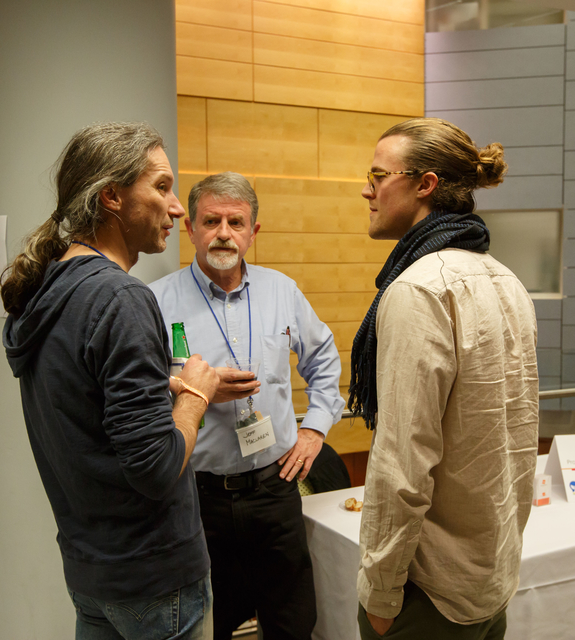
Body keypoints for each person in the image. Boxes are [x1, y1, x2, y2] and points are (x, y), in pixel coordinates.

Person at [1, 122, 220, 640]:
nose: (178, 208)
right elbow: (156, 468)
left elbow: (85, 409)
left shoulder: (47, 290)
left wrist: (152, 390)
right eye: (162, 187)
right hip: (154, 578)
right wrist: (193, 396)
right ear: (112, 197)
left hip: (91, 571)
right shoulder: (120, 298)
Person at [350, 118, 539, 640]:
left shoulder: (419, 290)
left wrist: (382, 593)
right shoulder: (507, 281)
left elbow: (402, 461)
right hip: (487, 578)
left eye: (378, 174)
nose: (367, 188)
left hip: (427, 594)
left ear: (425, 184)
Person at [149, 172, 345, 640]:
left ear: (253, 232)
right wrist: (196, 392)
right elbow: (137, 391)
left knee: (293, 622)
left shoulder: (282, 291)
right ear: (190, 229)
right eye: (210, 220)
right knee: (206, 625)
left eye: (236, 222)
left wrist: (315, 429)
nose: (223, 233)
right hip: (198, 499)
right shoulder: (156, 301)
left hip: (274, 490)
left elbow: (324, 360)